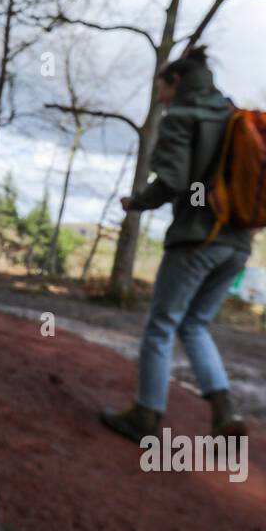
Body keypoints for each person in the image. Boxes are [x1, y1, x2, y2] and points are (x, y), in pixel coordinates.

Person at [101, 45, 250, 443]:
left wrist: (138, 202)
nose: (160, 96)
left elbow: (173, 180)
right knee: (195, 324)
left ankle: (146, 415)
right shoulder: (233, 114)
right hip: (238, 244)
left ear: (177, 80)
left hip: (198, 238)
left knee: (161, 325)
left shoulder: (182, 115)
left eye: (161, 87)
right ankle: (225, 410)